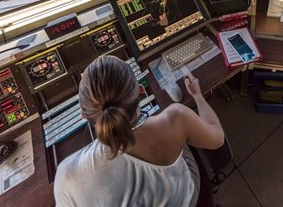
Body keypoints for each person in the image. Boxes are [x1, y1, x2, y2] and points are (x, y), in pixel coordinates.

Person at [54, 55, 224, 207]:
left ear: (84, 115)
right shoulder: (176, 118)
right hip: (187, 199)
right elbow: (217, 138)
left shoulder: (65, 175)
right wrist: (198, 97)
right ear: (141, 91)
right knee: (182, 134)